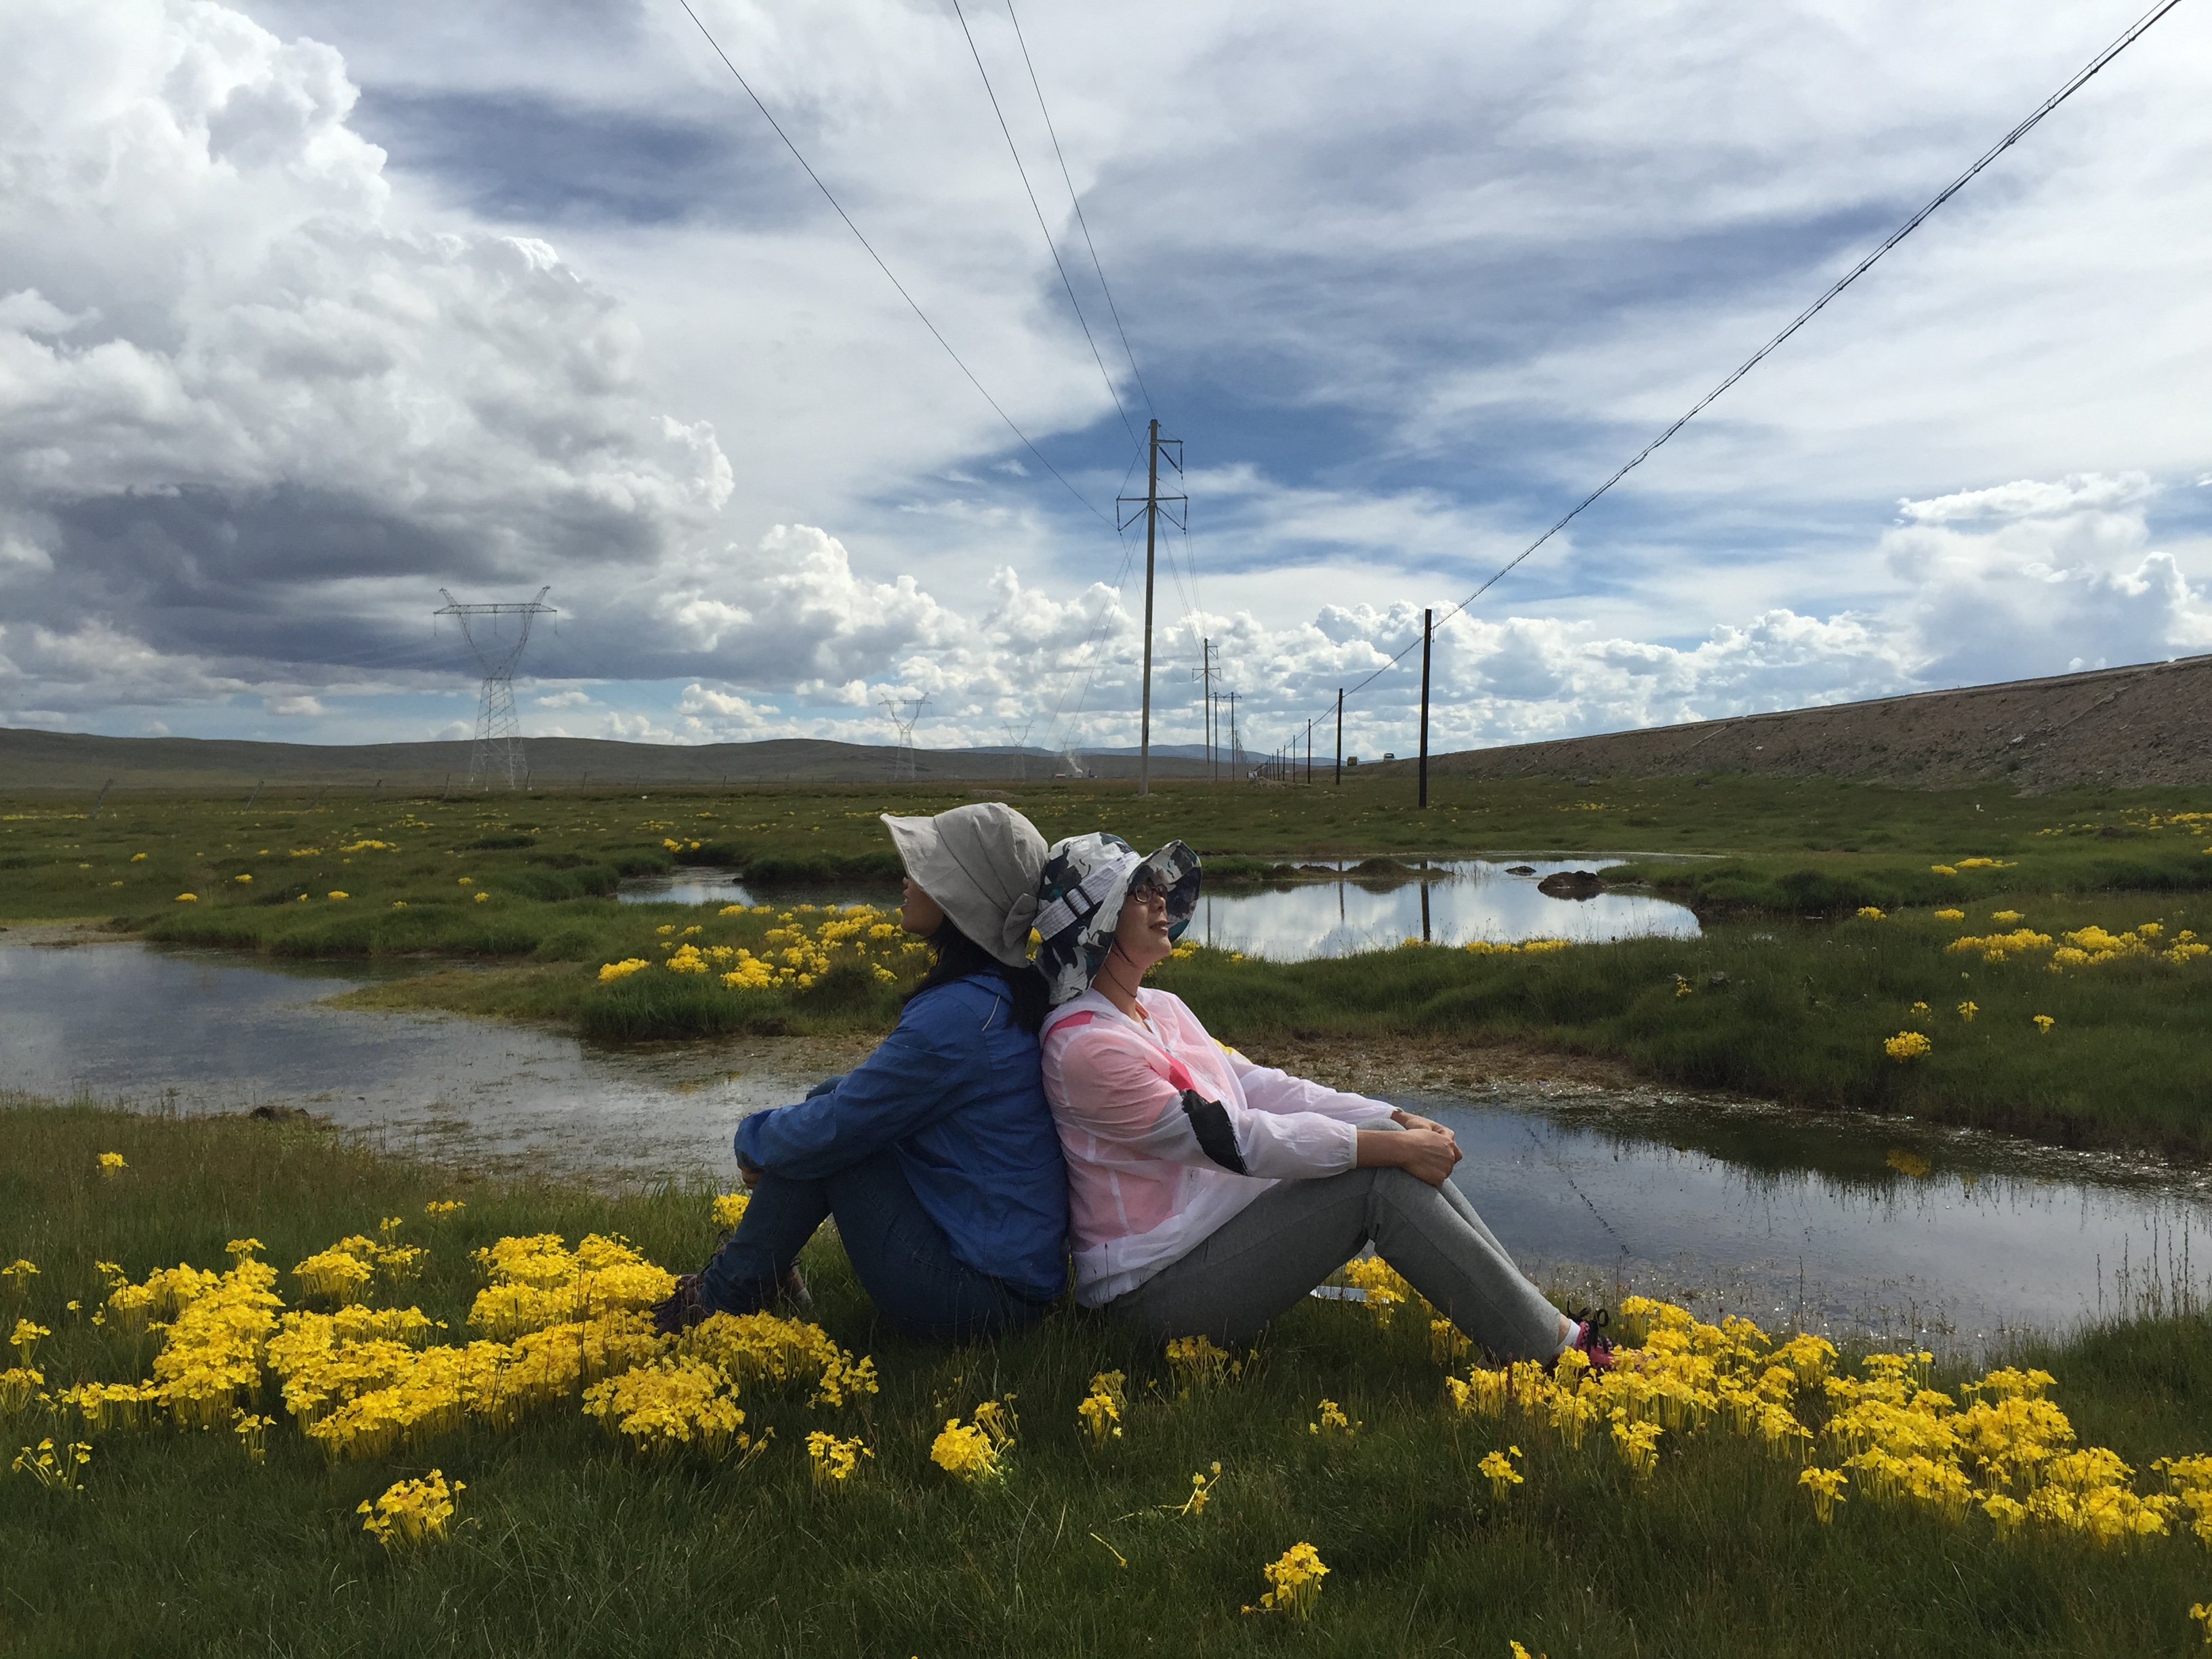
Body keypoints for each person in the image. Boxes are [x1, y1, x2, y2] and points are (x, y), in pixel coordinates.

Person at [1032, 831, 1611, 1366]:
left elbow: (1263, 1087)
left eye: (1159, 887)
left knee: (1390, 1149)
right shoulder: (1086, 1047)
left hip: (1206, 1243)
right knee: (1378, 1180)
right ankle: (1560, 1356)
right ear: (1097, 925)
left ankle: (1550, 1329)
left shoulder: (1161, 1009)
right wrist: (1383, 1149)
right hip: (1150, 1297)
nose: (1161, 901)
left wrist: (1393, 1117)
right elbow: (1232, 1139)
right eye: (1139, 893)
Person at [654, 802, 1067, 1342]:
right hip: (1016, 1280)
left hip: (979, 1301)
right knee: (831, 1104)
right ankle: (756, 1275)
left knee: (833, 1140)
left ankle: (724, 1296)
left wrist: (751, 1140)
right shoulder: (1005, 990)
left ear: (958, 897)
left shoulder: (960, 1017)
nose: (905, 879)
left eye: (924, 869)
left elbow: (839, 1126)